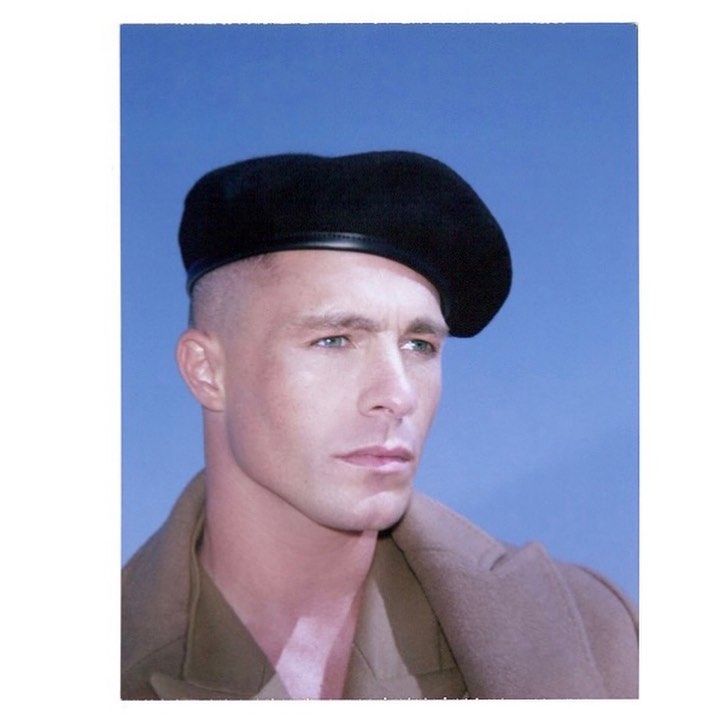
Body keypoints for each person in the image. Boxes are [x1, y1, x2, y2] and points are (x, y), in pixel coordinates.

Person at [121, 151, 638, 700]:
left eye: (419, 346)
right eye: (334, 340)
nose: (398, 394)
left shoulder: (593, 635)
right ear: (207, 371)